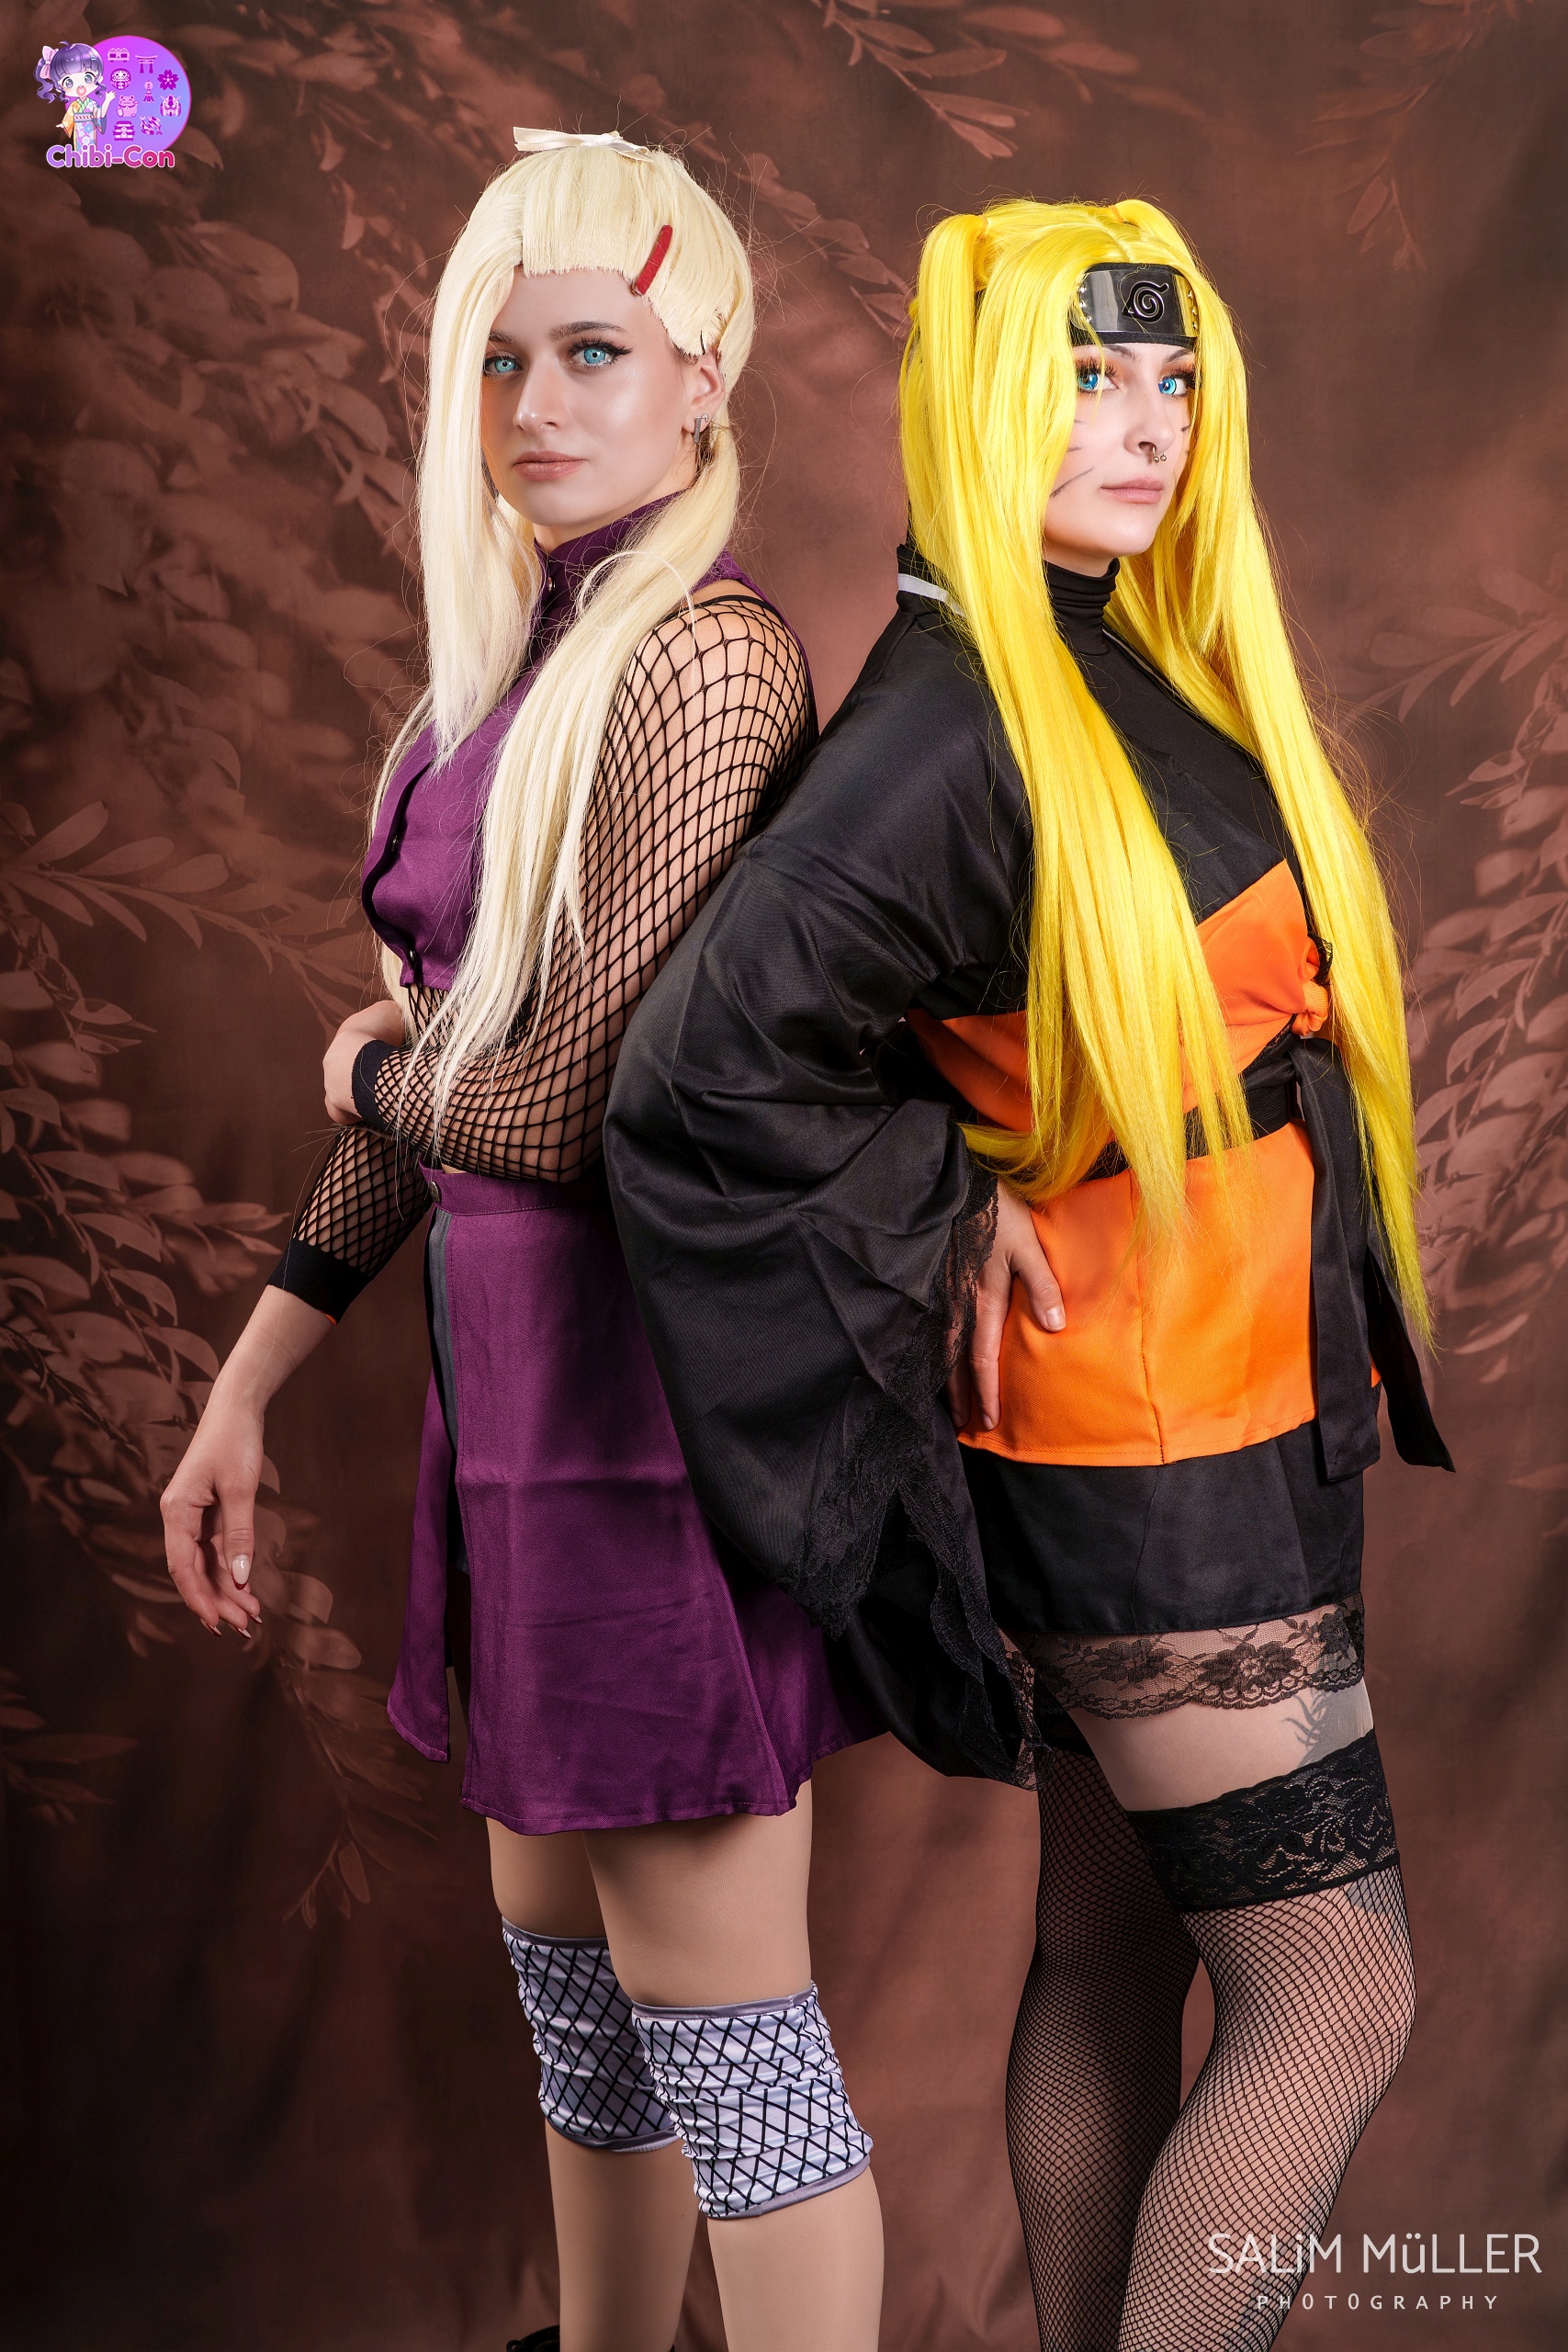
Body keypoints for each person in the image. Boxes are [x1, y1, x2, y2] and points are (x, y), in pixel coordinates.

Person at [604, 197, 1452, 2350]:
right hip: (1146, 1432)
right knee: (1332, 1988)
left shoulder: (1091, 650)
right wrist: (940, 1192)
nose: (1145, 421)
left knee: (1118, 1943)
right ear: (981, 397)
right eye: (1088, 375)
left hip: (1211, 1394)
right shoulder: (948, 720)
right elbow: (698, 1070)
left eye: (1170, 375)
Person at [160, 131, 883, 2352]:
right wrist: (247, 1383)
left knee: (729, 2038)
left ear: (700, 381)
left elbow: (549, 1109)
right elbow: (452, 1105)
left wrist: (374, 1067)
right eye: (499, 359)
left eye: (593, 352)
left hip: (656, 1435)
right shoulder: (502, 678)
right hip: (509, 1432)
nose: (538, 403)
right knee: (576, 1993)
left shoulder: (705, 663)